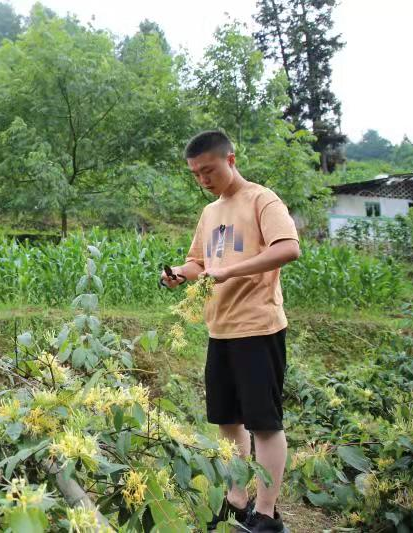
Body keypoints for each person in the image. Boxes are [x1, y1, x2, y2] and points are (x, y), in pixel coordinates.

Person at [161, 131, 300, 532]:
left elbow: (288, 247)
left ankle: (267, 515)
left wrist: (229, 271)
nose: (203, 179)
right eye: (195, 174)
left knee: (264, 423)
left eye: (208, 170)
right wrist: (178, 275)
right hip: (219, 330)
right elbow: (197, 262)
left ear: (231, 159)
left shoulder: (262, 199)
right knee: (227, 422)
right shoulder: (210, 213)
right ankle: (237, 500)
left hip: (258, 327)